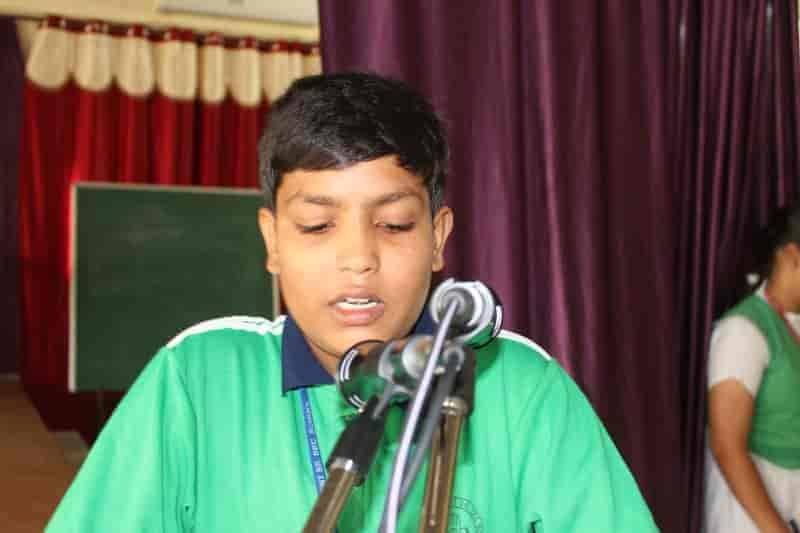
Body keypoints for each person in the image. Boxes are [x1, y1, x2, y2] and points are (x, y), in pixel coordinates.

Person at [46, 72, 657, 532]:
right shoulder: (198, 379)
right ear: (273, 241)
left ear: (438, 238)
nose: (358, 258)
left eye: (394, 224)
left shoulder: (523, 386)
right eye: (318, 226)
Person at [706, 205, 800, 533]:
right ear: (793, 255)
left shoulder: (792, 326)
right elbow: (727, 446)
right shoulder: (742, 331)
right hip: (750, 515)